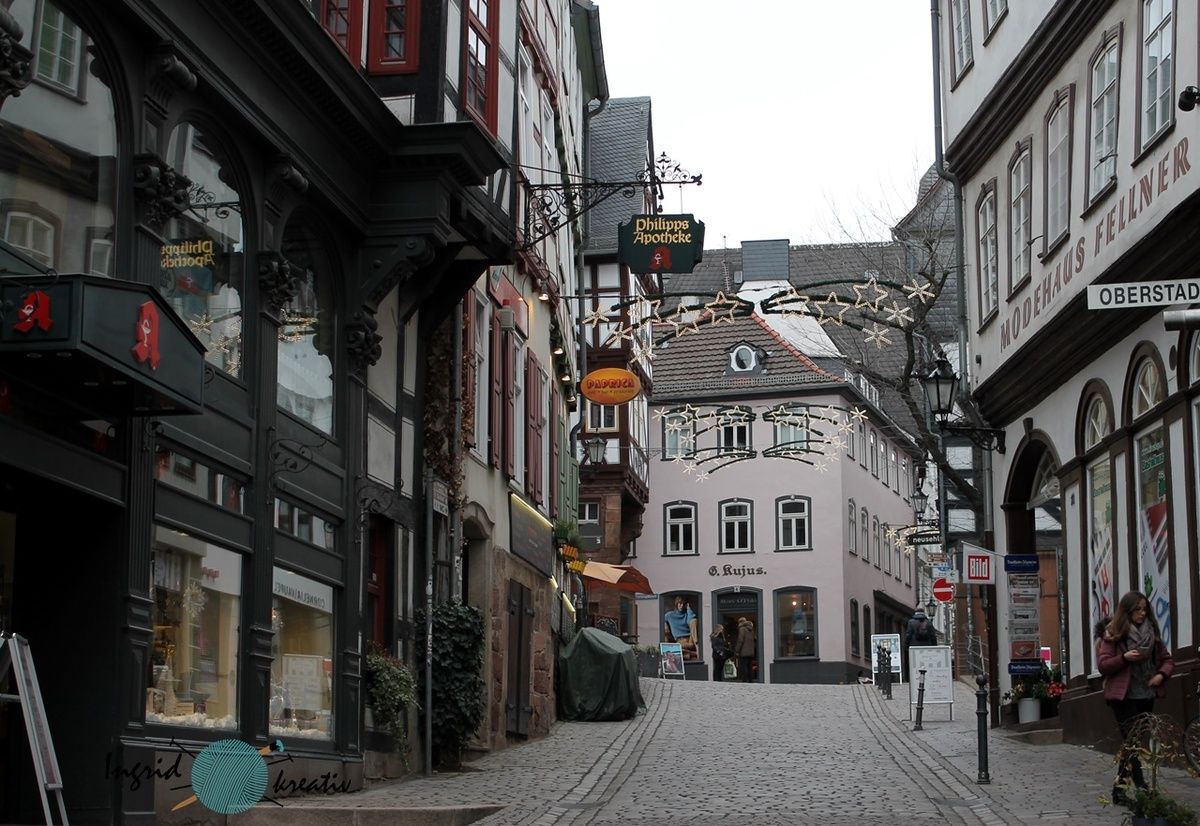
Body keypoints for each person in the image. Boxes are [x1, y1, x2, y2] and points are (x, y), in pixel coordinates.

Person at [1097, 591, 1173, 803]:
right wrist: (1124, 657)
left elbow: (1167, 660)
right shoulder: (1114, 634)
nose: (1142, 613)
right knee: (1132, 742)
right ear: (1127, 611)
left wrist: (1161, 675)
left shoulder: (1152, 634)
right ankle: (1141, 787)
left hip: (1147, 694)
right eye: (1137, 609)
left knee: (1134, 744)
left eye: (1144, 609)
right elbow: (1103, 665)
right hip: (1123, 697)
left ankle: (1119, 791)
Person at [904, 605, 937, 680]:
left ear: (915, 613)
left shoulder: (911, 622)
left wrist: (906, 645)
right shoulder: (928, 622)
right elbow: (933, 636)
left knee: (914, 664)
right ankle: (927, 676)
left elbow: (908, 635)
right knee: (926, 662)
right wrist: (934, 647)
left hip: (914, 647)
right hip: (927, 647)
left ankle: (914, 677)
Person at [735, 617, 756, 683]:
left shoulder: (742, 629)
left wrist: (737, 650)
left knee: (744, 666)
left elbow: (740, 640)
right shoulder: (751, 629)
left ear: (740, 622)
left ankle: (744, 679)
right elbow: (754, 639)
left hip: (744, 651)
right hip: (751, 651)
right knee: (749, 666)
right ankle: (750, 679)